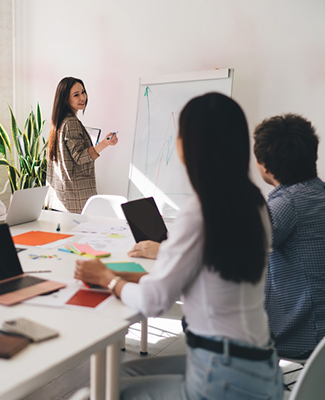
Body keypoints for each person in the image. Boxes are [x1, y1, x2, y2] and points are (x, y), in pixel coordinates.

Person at [74, 93, 282, 399]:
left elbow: (153, 302)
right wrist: (119, 274)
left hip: (223, 378)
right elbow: (206, 281)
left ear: (189, 146)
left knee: (92, 395)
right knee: (120, 374)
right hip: (260, 369)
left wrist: (109, 279)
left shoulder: (200, 212)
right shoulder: (254, 204)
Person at [253, 114, 325, 360]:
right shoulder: (318, 192)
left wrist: (166, 250)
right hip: (320, 327)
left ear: (265, 167)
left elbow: (237, 253)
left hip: (303, 333)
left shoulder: (288, 204)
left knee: (203, 319)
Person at [46, 77, 118, 213]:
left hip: (60, 197)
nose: (82, 97)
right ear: (65, 99)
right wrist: (105, 143)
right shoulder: (71, 123)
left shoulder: (59, 122)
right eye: (76, 95)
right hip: (75, 197)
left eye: (83, 92)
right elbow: (80, 157)